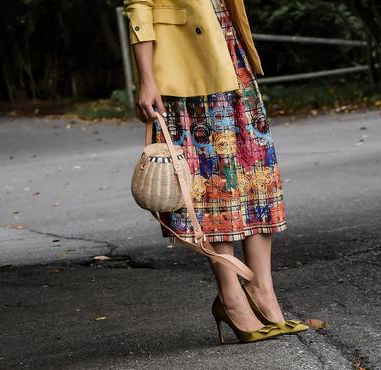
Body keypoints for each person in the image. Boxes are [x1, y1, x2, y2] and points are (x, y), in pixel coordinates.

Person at [123, 0, 308, 343]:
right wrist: (146, 80)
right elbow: (139, 7)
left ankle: (261, 289)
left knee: (256, 174)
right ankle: (231, 297)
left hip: (231, 54)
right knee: (215, 184)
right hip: (187, 68)